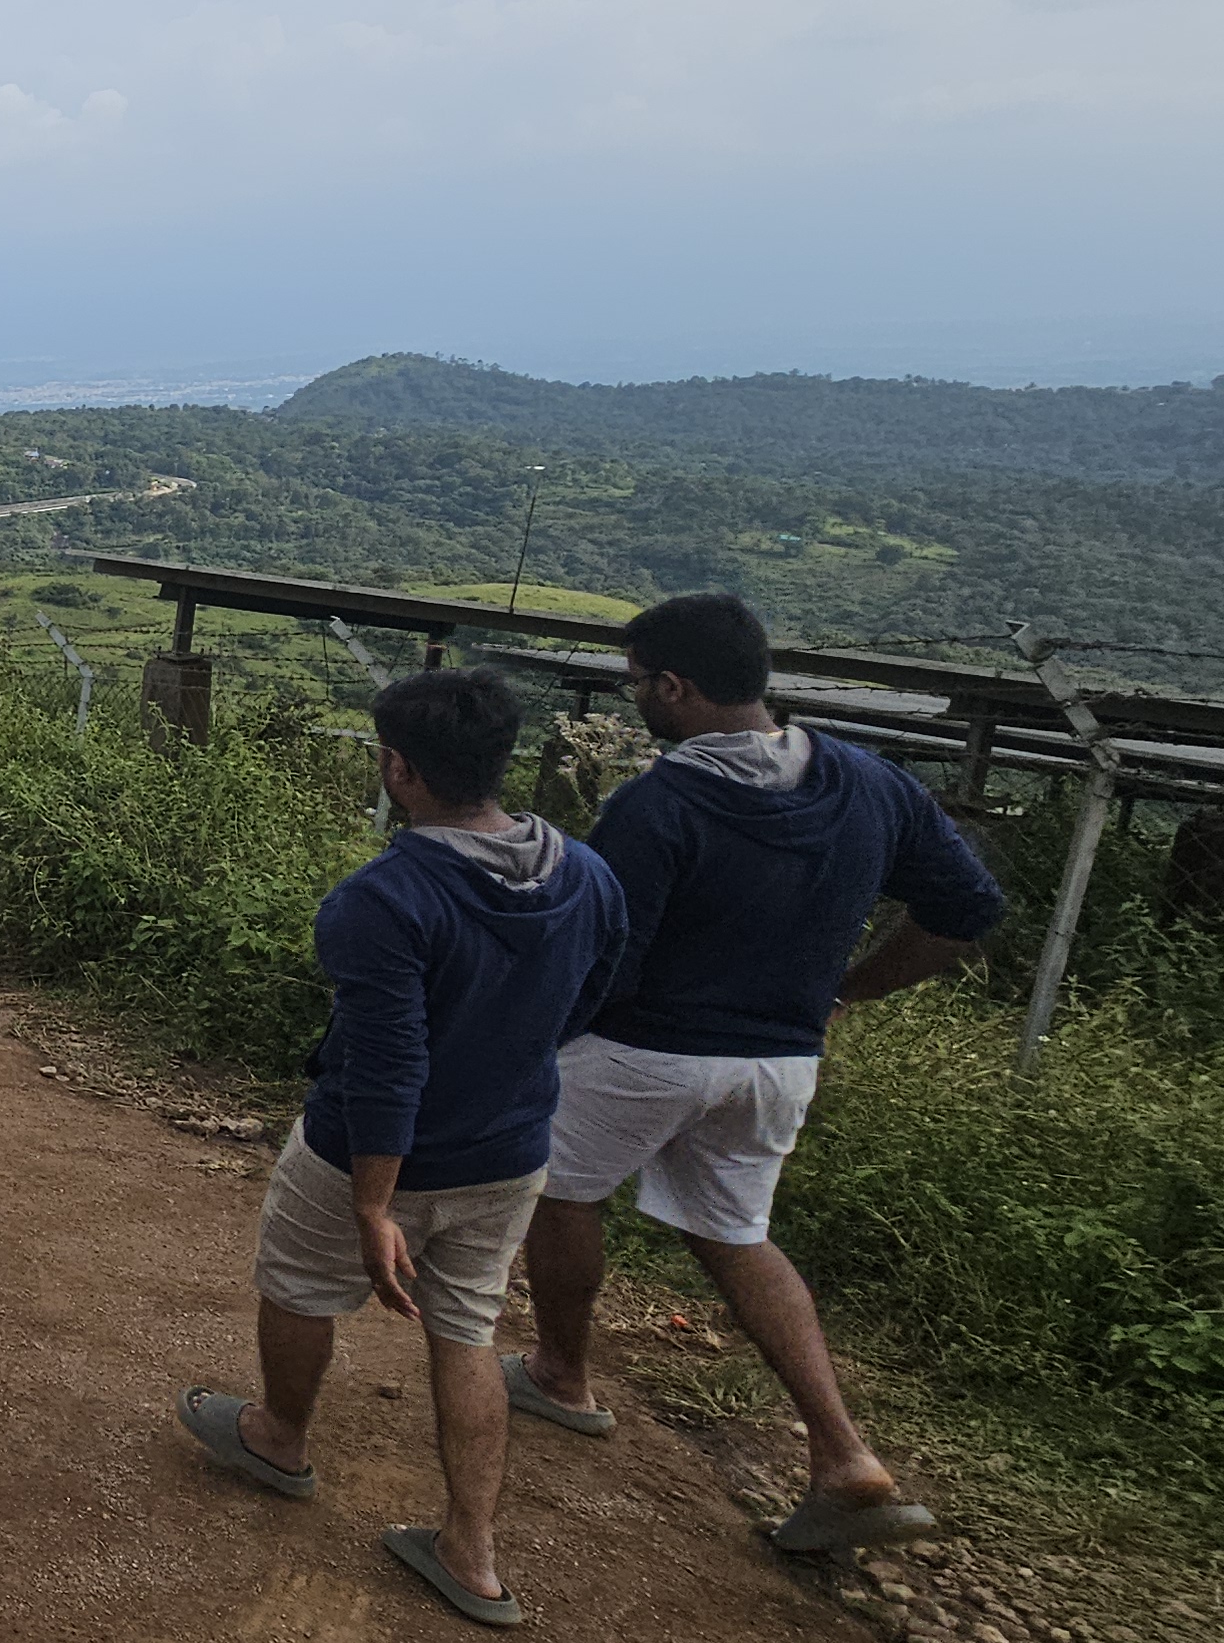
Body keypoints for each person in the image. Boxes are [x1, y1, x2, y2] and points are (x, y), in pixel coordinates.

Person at [509, 594, 1002, 1554]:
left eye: (639, 682)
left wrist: (533, 1044)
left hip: (646, 1051)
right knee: (737, 1236)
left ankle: (561, 1375)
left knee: (561, 1188)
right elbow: (966, 910)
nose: (636, 697)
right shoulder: (873, 785)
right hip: (777, 1065)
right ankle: (845, 1456)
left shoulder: (660, 803)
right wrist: (846, 992)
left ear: (674, 687)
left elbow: (607, 953)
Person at [180, 667, 628, 1629]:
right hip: (512, 1150)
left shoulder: (381, 898)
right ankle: (471, 1552)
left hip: (364, 1152)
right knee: (467, 1333)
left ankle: (280, 1439)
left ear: (400, 769)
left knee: (301, 1287)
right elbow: (591, 999)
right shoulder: (587, 876)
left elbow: (388, 1066)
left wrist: (377, 1207)